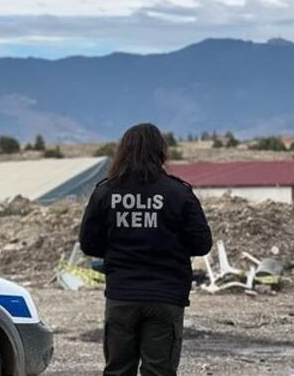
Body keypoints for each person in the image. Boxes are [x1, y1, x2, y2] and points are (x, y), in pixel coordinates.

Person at [80, 123, 212, 376]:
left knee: (118, 370)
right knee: (159, 371)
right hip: (166, 296)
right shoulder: (178, 193)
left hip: (122, 295)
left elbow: (89, 244)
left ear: (123, 151)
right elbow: (202, 244)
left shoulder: (105, 192)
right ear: (161, 151)